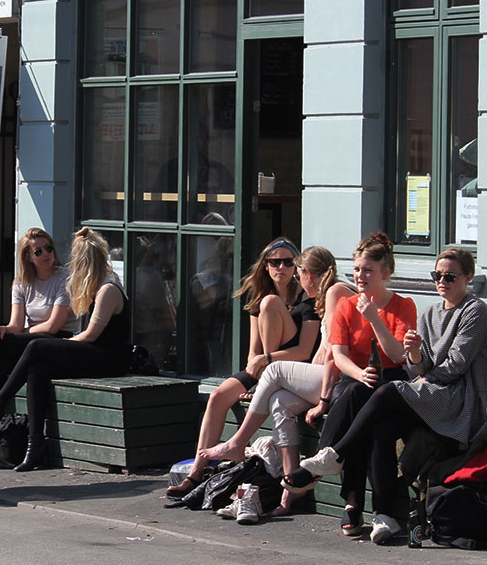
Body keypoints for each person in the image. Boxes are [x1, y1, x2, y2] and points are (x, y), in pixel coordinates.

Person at [285, 246, 480, 544]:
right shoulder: (430, 312)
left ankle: (333, 455)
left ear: (468, 277)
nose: (442, 282)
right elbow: (416, 365)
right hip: (425, 392)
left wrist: (416, 369)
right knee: (378, 426)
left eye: (450, 277)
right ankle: (383, 515)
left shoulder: (475, 311)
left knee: (386, 389)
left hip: (458, 400)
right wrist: (416, 355)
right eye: (437, 275)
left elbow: (454, 367)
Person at [195, 246, 356, 514]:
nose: (298, 281)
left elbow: (334, 354)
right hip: (330, 377)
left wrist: (323, 401)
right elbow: (323, 351)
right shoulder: (325, 296)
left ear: (308, 274)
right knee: (280, 402)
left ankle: (237, 443)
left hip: (344, 381)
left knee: (274, 371)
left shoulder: (335, 292)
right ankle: (290, 490)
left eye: (298, 274)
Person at [278, 231, 416, 536]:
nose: (360, 276)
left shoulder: (403, 305)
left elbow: (398, 355)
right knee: (360, 402)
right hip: (356, 379)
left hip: (392, 384)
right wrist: (359, 373)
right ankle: (372, 510)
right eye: (356, 269)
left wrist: (375, 318)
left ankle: (331, 460)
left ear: (385, 274)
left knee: (370, 415)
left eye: (368, 270)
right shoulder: (345, 305)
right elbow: (338, 356)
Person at [0, 226, 131, 472]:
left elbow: (90, 335)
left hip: (109, 358)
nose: (73, 268)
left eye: (77, 262)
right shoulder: (90, 286)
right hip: (91, 351)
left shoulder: (108, 288)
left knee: (37, 345)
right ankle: (35, 444)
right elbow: (19, 325)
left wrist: (59, 344)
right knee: (37, 369)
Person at [167, 238, 317, 497]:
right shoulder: (259, 299)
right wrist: (257, 369)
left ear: (297, 266)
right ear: (266, 266)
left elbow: (304, 351)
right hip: (264, 366)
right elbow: (253, 352)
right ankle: (196, 473)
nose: (281, 267)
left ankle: (264, 386)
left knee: (271, 303)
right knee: (217, 396)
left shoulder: (307, 300)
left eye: (288, 262)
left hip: (292, 367)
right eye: (274, 262)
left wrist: (266, 362)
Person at [0, 227, 75, 462]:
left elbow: (53, 326)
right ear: (28, 257)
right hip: (31, 341)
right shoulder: (21, 283)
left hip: (58, 341)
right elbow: (15, 324)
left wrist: (20, 334)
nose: (46, 254)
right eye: (38, 251)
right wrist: (5, 329)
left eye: (48, 248)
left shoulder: (65, 278)